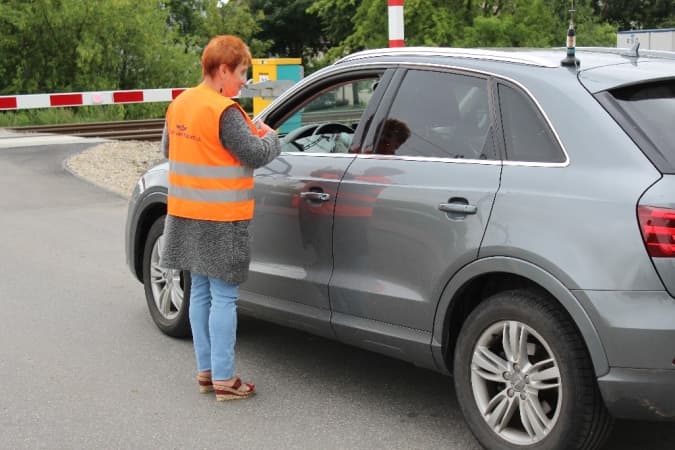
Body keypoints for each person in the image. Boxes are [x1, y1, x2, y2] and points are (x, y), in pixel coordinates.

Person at [159, 35, 280, 401]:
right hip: (222, 219)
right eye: (242, 72)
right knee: (224, 298)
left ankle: (207, 372)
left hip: (185, 214)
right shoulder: (225, 111)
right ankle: (227, 380)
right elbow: (255, 153)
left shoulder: (180, 105)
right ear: (223, 70)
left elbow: (169, 148)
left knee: (201, 293)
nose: (244, 81)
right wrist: (273, 137)